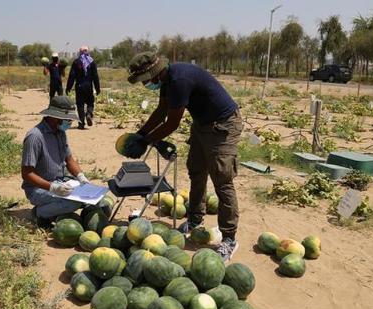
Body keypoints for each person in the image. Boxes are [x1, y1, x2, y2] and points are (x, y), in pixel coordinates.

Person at [127, 52, 243, 261]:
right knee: (197, 171)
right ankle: (195, 220)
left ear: (152, 73)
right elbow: (161, 111)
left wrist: (146, 141)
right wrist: (141, 133)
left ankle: (229, 238)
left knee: (222, 180)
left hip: (223, 124)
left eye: (143, 80)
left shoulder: (179, 80)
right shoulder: (167, 80)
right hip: (202, 125)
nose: (143, 85)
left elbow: (171, 124)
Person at [21, 96, 90, 227]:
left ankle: (55, 210)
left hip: (60, 182)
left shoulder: (60, 133)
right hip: (39, 188)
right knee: (73, 202)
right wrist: (52, 188)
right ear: (53, 116)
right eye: (67, 119)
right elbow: (27, 174)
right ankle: (39, 213)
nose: (70, 122)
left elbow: (69, 160)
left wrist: (81, 177)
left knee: (91, 198)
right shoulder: (35, 137)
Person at [66, 46, 100, 129]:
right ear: (87, 52)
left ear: (80, 52)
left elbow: (72, 76)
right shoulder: (92, 62)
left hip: (79, 87)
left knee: (80, 105)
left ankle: (81, 124)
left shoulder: (76, 62)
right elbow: (95, 76)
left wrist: (68, 87)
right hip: (89, 86)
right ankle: (89, 113)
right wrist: (97, 88)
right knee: (90, 103)